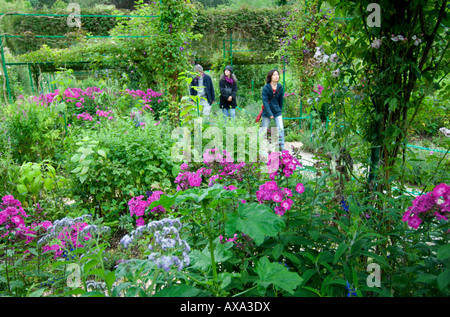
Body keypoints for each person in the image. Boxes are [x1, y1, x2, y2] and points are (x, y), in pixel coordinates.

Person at [260, 69, 285, 151]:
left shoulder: (280, 87)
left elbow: (281, 101)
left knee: (281, 128)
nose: (276, 76)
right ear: (270, 76)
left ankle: (281, 148)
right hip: (267, 112)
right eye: (274, 75)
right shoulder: (266, 88)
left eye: (277, 74)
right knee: (263, 130)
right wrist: (270, 113)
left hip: (277, 111)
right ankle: (259, 146)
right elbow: (265, 102)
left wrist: (279, 111)